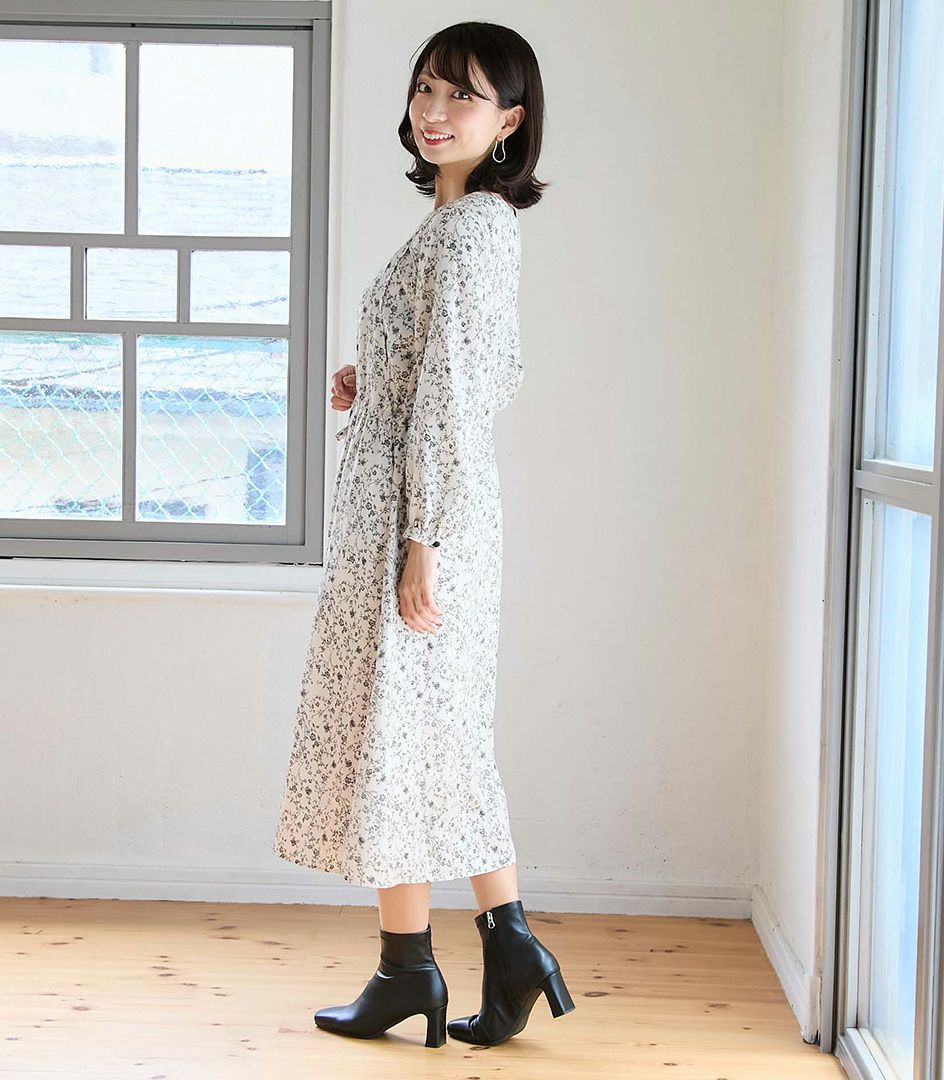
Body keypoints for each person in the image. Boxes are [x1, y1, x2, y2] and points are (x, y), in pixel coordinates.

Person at [272, 20, 574, 1047]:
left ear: (510, 120)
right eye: (426, 90)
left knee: (403, 736)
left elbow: (457, 391)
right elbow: (482, 368)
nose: (435, 112)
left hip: (421, 521)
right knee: (423, 736)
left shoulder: (474, 228)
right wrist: (375, 377)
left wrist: (424, 542)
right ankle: (494, 948)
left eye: (464, 96)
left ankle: (416, 968)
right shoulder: (456, 224)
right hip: (411, 509)